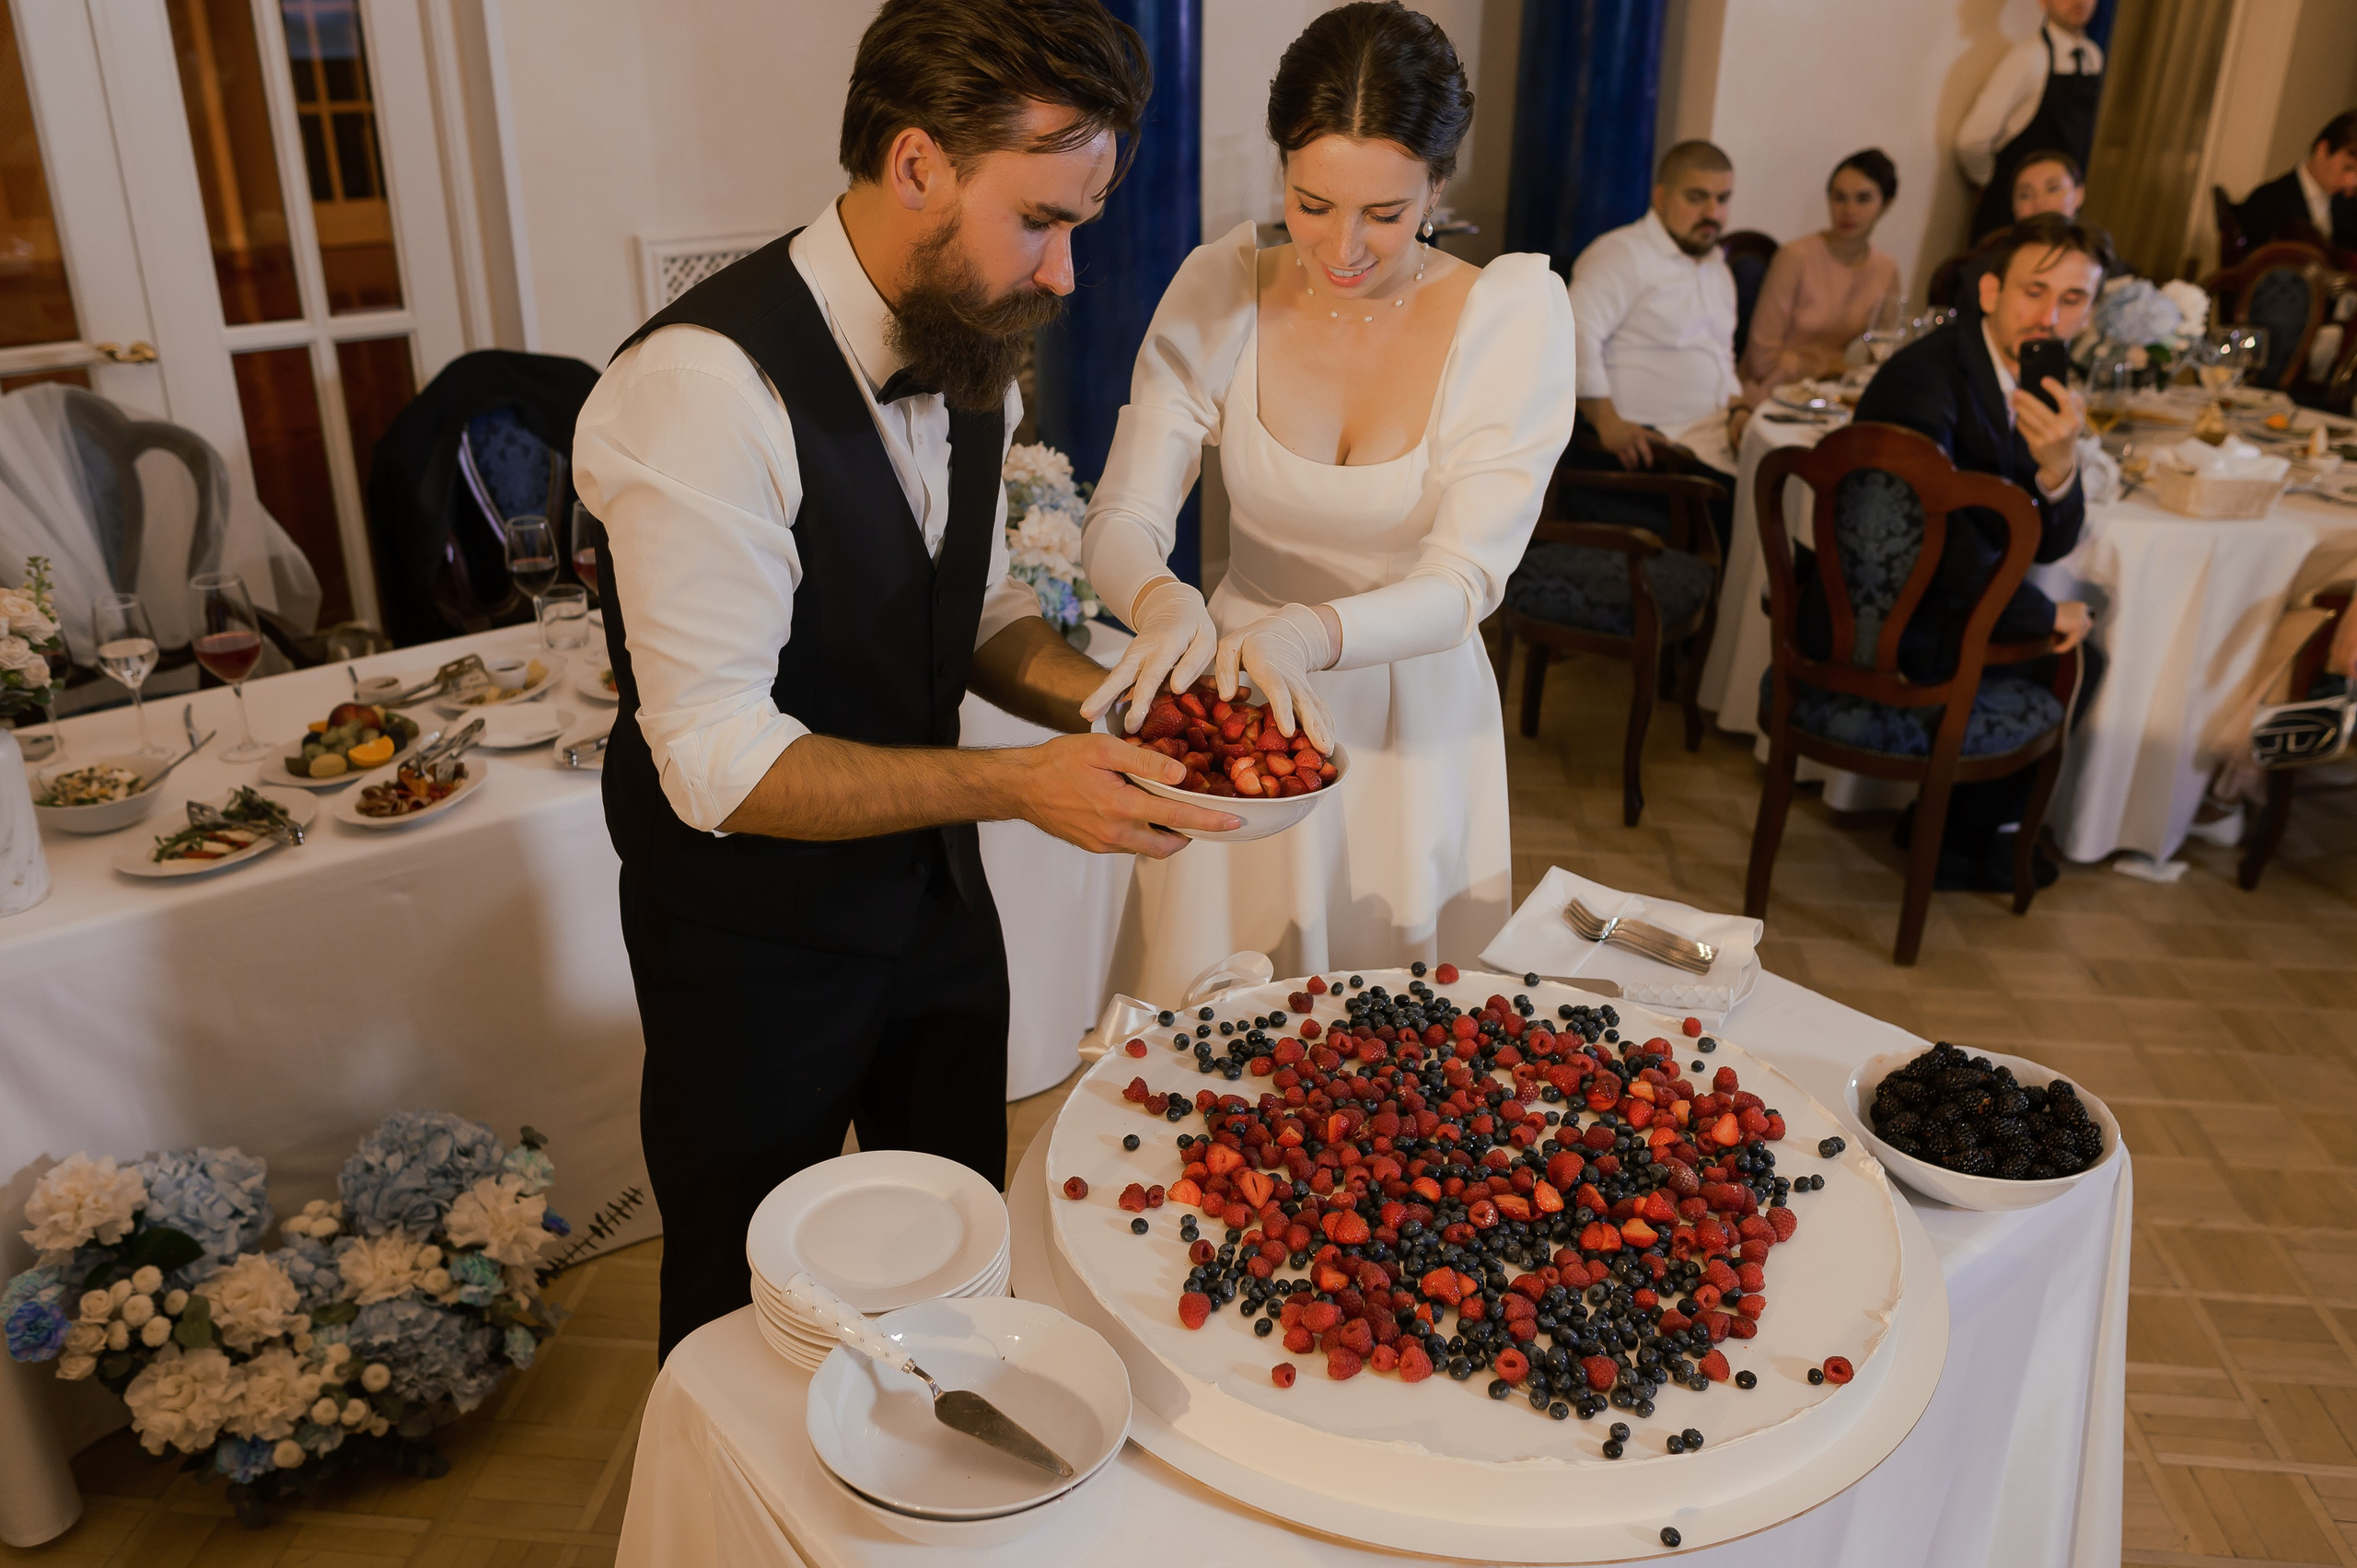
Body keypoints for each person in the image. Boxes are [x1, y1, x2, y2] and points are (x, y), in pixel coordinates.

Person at [573, 0, 1235, 1358]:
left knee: (954, 1245)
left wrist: (1113, 702)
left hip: (931, 904)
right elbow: (718, 759)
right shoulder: (699, 388)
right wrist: (1023, 785)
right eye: (1043, 219)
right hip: (751, 936)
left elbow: (977, 600)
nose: (1062, 276)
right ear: (920, 163)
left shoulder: (964, 327)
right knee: (744, 1306)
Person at [1077, 0, 1573, 1004]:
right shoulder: (1222, 285)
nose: (1340, 246)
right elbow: (1123, 515)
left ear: (1438, 184)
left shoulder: (1507, 316)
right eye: (1311, 203)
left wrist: (1310, 631)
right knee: (1211, 1030)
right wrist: (1162, 602)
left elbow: (1465, 576)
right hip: (1242, 709)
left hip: (1413, 714)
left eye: (1383, 214)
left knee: (1389, 1061)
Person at [1830, 214, 2108, 891]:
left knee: (2078, 652)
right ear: (1989, 292)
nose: (2049, 315)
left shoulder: (2033, 381)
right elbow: (1936, 543)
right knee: (2071, 655)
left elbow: (2056, 539)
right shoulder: (1925, 379)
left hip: (1945, 596)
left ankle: (1960, 832)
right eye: (2033, 292)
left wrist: (2058, 468)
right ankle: (1959, 843)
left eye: (2072, 299)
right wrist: (2039, 617)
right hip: (1890, 622)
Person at [1563, 140, 1741, 547]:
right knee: (1761, 508)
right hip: (1648, 452)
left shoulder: (1718, 269)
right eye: (1697, 198)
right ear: (1661, 196)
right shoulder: (1623, 254)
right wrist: (1607, 421)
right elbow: (1573, 330)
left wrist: (1739, 408)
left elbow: (1721, 359)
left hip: (1713, 440)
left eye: (1722, 199)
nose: (1712, 214)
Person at [1738, 149, 1901, 408]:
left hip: (1826, 398)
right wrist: (1833, 366)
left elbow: (1881, 363)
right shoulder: (1795, 257)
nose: (1849, 210)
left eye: (1863, 199)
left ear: (1887, 203)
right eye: (1839, 198)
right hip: (1767, 394)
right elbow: (1761, 361)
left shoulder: (1886, 269)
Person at [1956, 0, 2104, 243]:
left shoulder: (2093, 56)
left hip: (2060, 213)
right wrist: (1991, 183)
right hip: (2012, 214)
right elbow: (1971, 141)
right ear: (2043, 2)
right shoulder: (2028, 59)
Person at [1930, 150, 2086, 313]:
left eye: (2053, 189)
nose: (2039, 203)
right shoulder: (1981, 273)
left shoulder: (2106, 273)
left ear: (2079, 194)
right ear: (2013, 207)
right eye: (2025, 195)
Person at [2237, 110, 2357, 252]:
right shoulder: (2267, 200)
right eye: (2348, 167)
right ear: (2323, 150)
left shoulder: (2347, 204)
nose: (2352, 182)